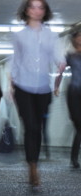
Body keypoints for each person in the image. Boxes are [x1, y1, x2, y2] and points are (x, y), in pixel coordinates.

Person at [10, 0, 66, 187]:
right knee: (31, 127)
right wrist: (12, 86)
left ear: (45, 11)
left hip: (43, 88)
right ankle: (32, 167)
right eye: (32, 6)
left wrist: (61, 63)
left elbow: (57, 56)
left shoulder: (52, 36)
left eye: (40, 7)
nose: (36, 10)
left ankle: (34, 162)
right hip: (22, 87)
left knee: (39, 128)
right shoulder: (19, 36)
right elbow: (16, 61)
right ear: (26, 10)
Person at [55, 30, 81, 168]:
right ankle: (74, 157)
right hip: (74, 94)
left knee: (80, 128)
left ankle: (74, 158)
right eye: (78, 37)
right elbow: (60, 71)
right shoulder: (70, 56)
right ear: (74, 40)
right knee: (78, 125)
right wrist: (56, 86)